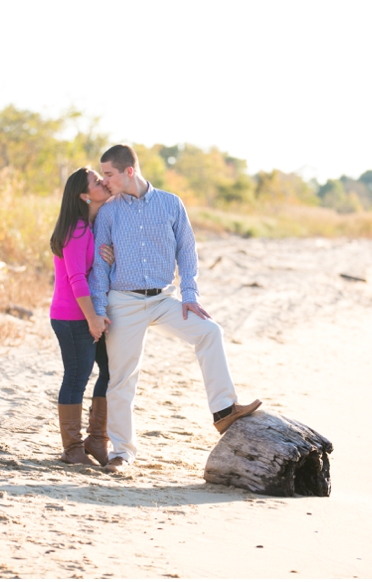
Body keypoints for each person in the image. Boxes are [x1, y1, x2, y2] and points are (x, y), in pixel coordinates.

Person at [90, 145, 262, 473]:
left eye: (109, 174)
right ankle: (122, 453)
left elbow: (187, 250)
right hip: (123, 301)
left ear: (129, 171)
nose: (105, 180)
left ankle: (224, 410)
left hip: (163, 299)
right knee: (122, 378)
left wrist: (189, 294)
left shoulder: (171, 203)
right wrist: (99, 308)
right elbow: (99, 265)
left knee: (210, 332)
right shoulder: (109, 211)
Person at [49, 167, 115, 466]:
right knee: (77, 377)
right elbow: (76, 278)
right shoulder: (76, 228)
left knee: (110, 370)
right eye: (96, 181)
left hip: (85, 314)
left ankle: (97, 440)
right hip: (72, 316)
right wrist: (92, 318)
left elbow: (89, 268)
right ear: (84, 195)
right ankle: (72, 449)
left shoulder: (89, 226)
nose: (103, 182)